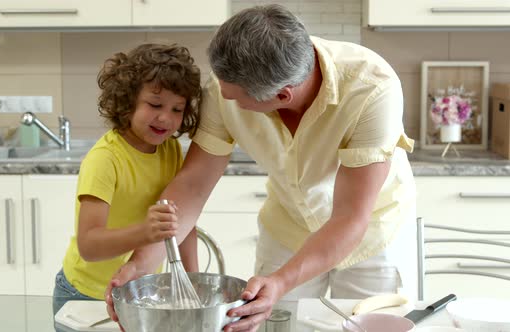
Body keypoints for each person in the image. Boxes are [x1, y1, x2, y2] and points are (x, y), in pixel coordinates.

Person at [105, 4, 417, 332]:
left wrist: (281, 282)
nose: (224, 98)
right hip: (288, 225)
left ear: (282, 95)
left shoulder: (372, 88)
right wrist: (141, 264)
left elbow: (350, 217)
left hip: (372, 234)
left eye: (238, 100)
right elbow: (193, 185)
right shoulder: (226, 84)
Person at [52, 43, 202, 318]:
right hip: (86, 295)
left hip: (139, 291)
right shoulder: (105, 160)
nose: (166, 118)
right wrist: (145, 231)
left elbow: (181, 224)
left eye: (177, 109)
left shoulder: (169, 150)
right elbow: (89, 245)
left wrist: (192, 284)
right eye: (155, 104)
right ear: (127, 100)